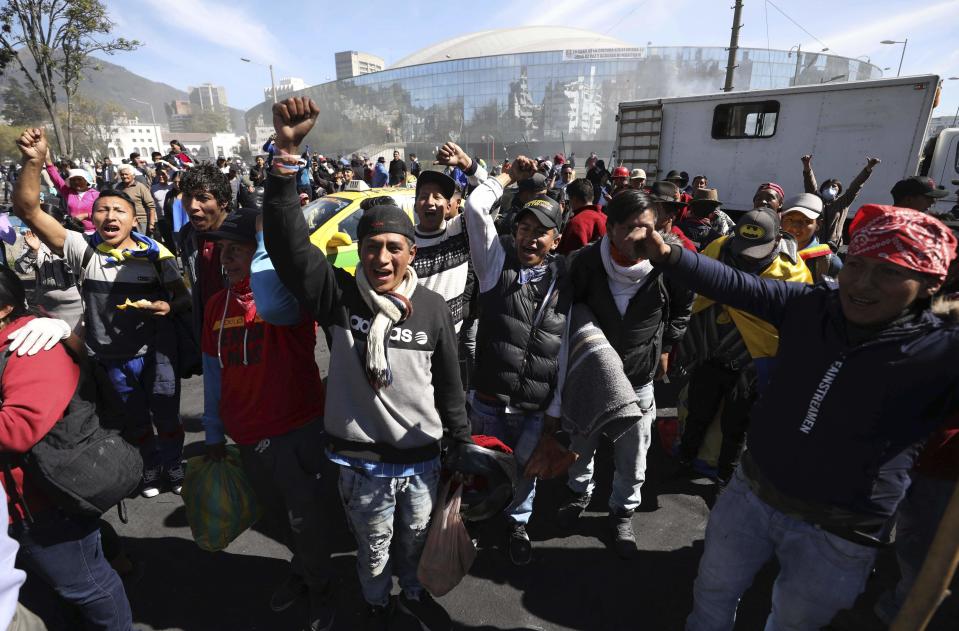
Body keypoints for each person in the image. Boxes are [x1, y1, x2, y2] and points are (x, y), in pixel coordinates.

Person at [627, 203, 959, 631]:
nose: (861, 283)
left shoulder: (944, 353)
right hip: (751, 494)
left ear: (931, 282)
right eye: (855, 264)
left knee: (794, 624)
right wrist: (668, 254)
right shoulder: (812, 306)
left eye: (889, 272)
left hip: (839, 532)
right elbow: (736, 285)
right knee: (712, 593)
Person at [261, 97, 470, 631]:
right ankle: (377, 607)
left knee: (415, 549)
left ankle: (413, 599)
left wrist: (461, 444)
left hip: (422, 462)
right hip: (361, 467)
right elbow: (286, 247)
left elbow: (448, 383)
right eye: (372, 246)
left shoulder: (433, 308)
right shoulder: (337, 296)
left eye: (394, 247)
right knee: (372, 552)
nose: (382, 258)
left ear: (411, 254)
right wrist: (287, 153)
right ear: (359, 249)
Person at [13, 127, 191, 499]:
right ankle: (149, 466)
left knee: (167, 416)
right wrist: (34, 161)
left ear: (133, 219)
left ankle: (174, 462)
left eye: (119, 210)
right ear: (92, 216)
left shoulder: (156, 254)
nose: (110, 215)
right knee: (135, 420)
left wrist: (167, 306)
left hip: (157, 353)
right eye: (103, 210)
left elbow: (183, 299)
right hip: (110, 356)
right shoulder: (83, 249)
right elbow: (28, 210)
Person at [200, 207, 335, 630]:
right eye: (224, 250)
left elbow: (275, 289)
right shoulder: (216, 306)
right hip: (246, 434)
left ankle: (322, 590)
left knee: (305, 517)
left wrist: (265, 242)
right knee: (278, 516)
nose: (228, 258)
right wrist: (213, 431)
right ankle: (304, 569)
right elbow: (212, 370)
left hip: (295, 429)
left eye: (238, 249)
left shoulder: (282, 297)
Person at [551, 190, 692, 558]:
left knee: (634, 454)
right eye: (631, 228)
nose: (642, 237)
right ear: (610, 228)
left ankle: (621, 512)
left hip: (639, 379)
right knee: (582, 442)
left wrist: (665, 347)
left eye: (648, 227)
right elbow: (566, 310)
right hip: (590, 379)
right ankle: (578, 493)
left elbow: (682, 307)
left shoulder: (669, 263)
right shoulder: (584, 263)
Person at [0, 267, 134, 630]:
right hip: (17, 509)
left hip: (40, 503)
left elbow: (17, 428)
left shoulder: (29, 348)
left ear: (3, 308)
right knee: (39, 592)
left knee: (87, 587)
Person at [464, 152, 572, 566]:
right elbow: (475, 207)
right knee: (482, 465)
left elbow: (565, 349)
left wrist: (556, 407)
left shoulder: (566, 279)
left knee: (526, 470)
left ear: (555, 240)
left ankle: (517, 523)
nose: (529, 237)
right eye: (523, 227)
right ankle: (473, 518)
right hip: (490, 397)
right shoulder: (495, 267)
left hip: (534, 406)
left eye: (540, 232)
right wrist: (504, 176)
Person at [677, 208, 812, 485]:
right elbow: (695, 289)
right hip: (711, 352)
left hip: (752, 363)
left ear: (776, 241)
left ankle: (727, 477)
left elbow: (796, 324)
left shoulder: (792, 270)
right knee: (697, 412)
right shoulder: (719, 247)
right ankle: (684, 460)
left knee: (736, 426)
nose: (747, 256)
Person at [177, 163, 233, 339]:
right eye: (187, 196)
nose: (193, 205)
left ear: (223, 201)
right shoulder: (187, 236)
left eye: (203, 197)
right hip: (207, 334)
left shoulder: (246, 236)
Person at [15, 228, 83, 334]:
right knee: (51, 337)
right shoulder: (34, 239)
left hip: (74, 301)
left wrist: (62, 253)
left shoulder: (71, 239)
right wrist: (33, 251)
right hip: (45, 301)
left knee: (76, 337)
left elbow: (77, 269)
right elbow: (21, 269)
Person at [801, 154, 879, 246]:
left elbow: (856, 186)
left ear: (839, 191)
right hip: (813, 244)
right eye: (827, 186)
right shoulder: (816, 200)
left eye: (834, 186)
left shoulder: (842, 202)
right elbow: (810, 184)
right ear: (822, 189)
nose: (830, 188)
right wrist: (807, 166)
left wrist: (868, 169)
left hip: (831, 246)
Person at [780, 193, 843, 282]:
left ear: (818, 224)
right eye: (789, 219)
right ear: (781, 221)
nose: (795, 226)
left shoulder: (829, 263)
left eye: (806, 221)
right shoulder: (769, 252)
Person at [43, 153, 98, 233]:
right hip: (73, 232)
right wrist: (47, 157)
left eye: (79, 179)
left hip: (92, 232)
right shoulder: (68, 192)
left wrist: (86, 215)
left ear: (86, 181)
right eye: (73, 180)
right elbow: (54, 176)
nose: (76, 182)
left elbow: (103, 213)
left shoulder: (96, 195)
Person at [556, 179, 605, 255]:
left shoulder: (577, 222)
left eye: (570, 200)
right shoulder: (606, 218)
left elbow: (569, 258)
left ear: (574, 199)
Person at [114, 164, 156, 234]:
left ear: (133, 175)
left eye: (126, 174)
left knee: (142, 242)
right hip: (125, 220)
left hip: (140, 221)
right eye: (122, 174)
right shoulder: (118, 187)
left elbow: (151, 206)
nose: (124, 176)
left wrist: (151, 223)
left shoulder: (140, 187)